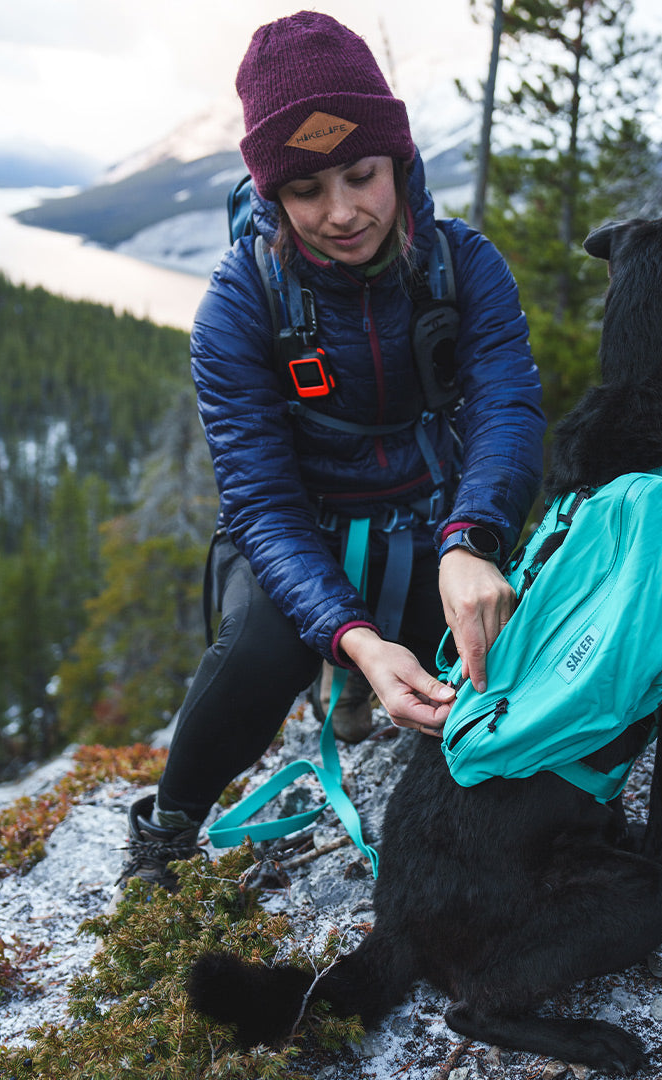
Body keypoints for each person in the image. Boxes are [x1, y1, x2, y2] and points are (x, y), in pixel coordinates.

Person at [118, 10, 545, 891]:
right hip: (301, 533)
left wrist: (473, 540)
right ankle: (166, 830)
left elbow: (507, 407)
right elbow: (261, 505)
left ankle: (370, 681)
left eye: (362, 174)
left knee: (511, 645)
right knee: (260, 654)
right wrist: (352, 633)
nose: (344, 212)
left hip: (439, 523)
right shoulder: (240, 306)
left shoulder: (466, 266)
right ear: (272, 194)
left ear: (400, 162)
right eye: (308, 190)